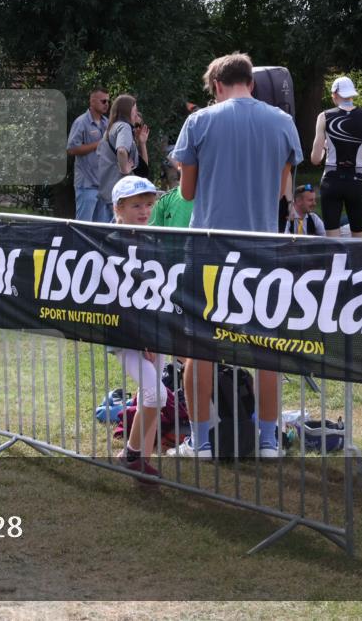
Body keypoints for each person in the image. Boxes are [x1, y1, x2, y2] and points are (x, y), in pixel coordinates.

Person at [171, 52, 303, 459]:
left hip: (209, 248)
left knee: (200, 347)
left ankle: (201, 441)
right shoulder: (283, 123)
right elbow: (284, 188)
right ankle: (267, 440)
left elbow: (187, 193)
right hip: (263, 248)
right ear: (252, 82)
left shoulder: (199, 121)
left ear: (216, 85)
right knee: (266, 346)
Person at [109, 175, 166, 482]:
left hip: (154, 333)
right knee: (156, 393)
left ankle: (142, 460)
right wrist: (141, 337)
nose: (144, 211)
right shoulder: (109, 242)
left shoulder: (152, 239)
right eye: (136, 205)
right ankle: (131, 455)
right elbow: (117, 298)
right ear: (119, 207)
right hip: (126, 335)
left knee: (153, 396)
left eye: (147, 204)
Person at [309, 76, 362, 238]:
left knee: (332, 238)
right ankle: (358, 263)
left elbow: (315, 159)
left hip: (331, 180)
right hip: (356, 180)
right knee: (359, 237)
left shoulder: (324, 116)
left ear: (335, 94)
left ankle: (334, 263)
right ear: (351, 94)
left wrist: (324, 149)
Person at [95, 95, 145, 224]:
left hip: (107, 189)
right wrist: (125, 170)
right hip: (119, 191)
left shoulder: (112, 128)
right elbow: (122, 150)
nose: (136, 113)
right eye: (135, 109)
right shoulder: (124, 127)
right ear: (127, 110)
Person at [66, 88, 109, 221]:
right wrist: (97, 144)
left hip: (102, 184)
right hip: (87, 184)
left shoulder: (106, 122)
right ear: (92, 101)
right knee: (83, 227)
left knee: (100, 229)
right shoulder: (81, 122)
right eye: (103, 101)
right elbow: (71, 149)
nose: (107, 104)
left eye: (108, 101)